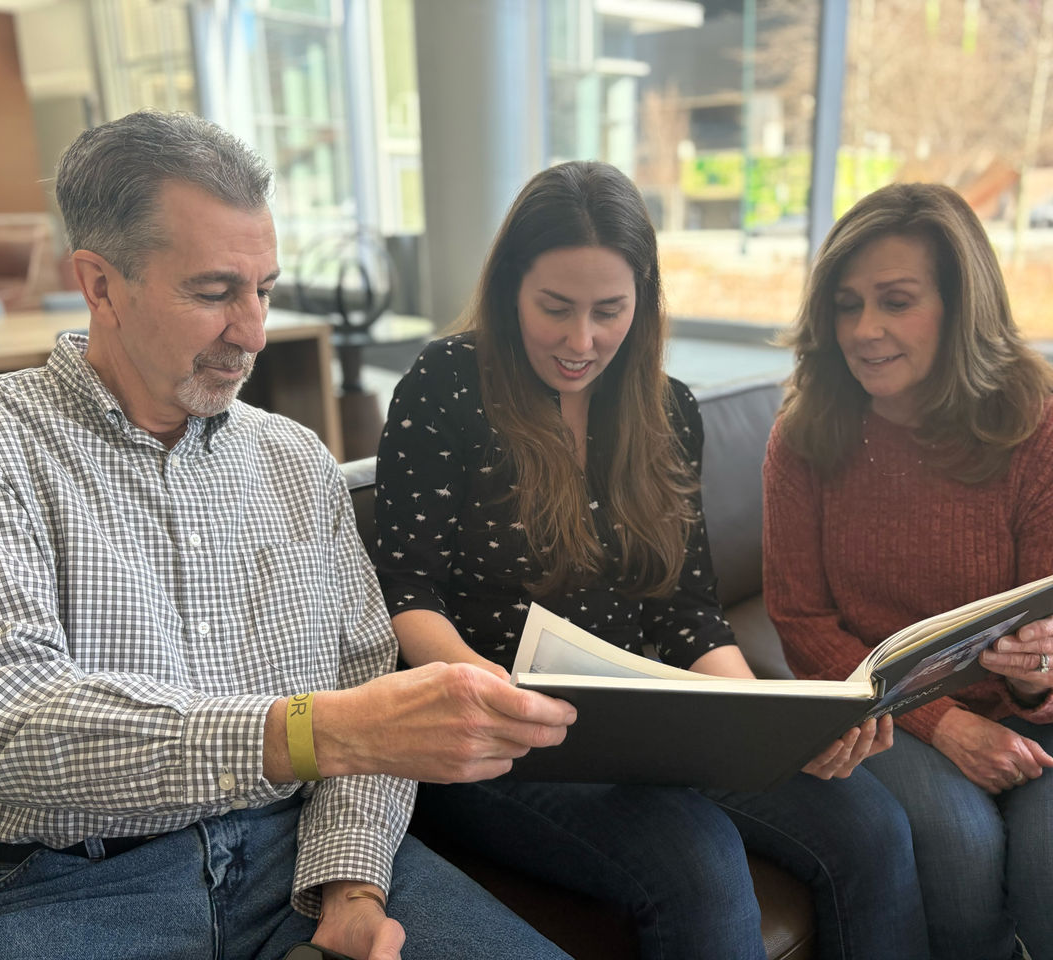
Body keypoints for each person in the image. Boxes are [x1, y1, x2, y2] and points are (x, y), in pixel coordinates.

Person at [0, 111, 581, 960]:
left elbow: (368, 692)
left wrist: (351, 887)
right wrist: (317, 731)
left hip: (297, 859)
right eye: (214, 293)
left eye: (266, 289)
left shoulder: (293, 458)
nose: (251, 330)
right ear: (100, 285)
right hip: (52, 890)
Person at [374, 160, 928, 960]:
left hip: (643, 720)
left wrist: (759, 726)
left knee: (872, 824)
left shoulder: (667, 408)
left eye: (610, 311)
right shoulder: (448, 383)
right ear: (510, 290)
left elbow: (685, 608)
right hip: (494, 736)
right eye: (554, 308)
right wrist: (472, 682)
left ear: (645, 301)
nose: (581, 341)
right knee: (697, 863)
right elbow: (406, 582)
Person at [762, 181, 1053, 960]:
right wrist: (943, 723)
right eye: (847, 304)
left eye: (896, 301)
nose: (864, 330)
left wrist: (1041, 677)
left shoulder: (1051, 438)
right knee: (960, 846)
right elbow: (803, 625)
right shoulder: (806, 437)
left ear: (961, 306)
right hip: (893, 700)